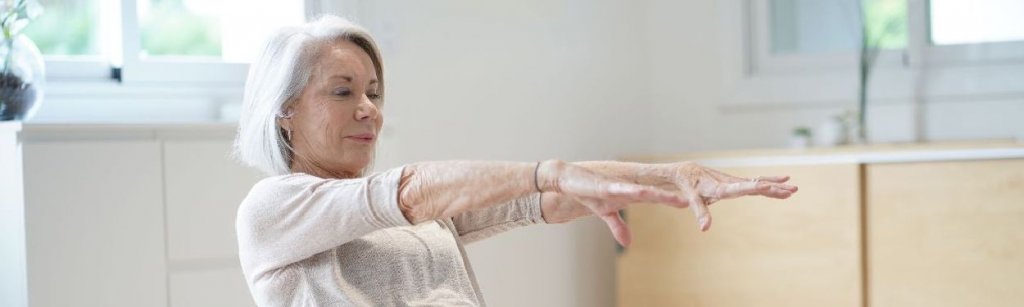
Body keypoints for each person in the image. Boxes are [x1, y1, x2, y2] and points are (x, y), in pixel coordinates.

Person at [233, 15, 798, 306]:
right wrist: (545, 169)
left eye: (374, 93)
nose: (368, 111)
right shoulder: (276, 208)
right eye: (342, 92)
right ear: (284, 111)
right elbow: (415, 191)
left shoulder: (409, 213)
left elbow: (542, 201)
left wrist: (667, 177)